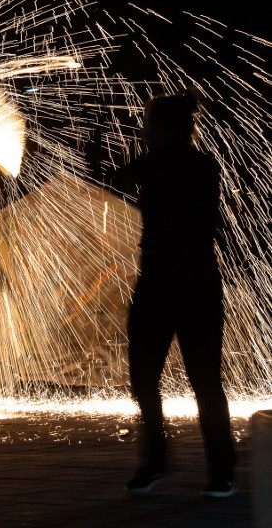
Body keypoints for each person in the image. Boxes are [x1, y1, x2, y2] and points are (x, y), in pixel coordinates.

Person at [121, 90, 237, 498]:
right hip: (160, 274)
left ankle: (220, 471)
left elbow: (133, 180)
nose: (144, 130)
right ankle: (159, 463)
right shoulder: (158, 164)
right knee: (144, 377)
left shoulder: (195, 166)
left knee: (203, 380)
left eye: (150, 123)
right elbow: (118, 179)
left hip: (190, 276)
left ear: (168, 127)